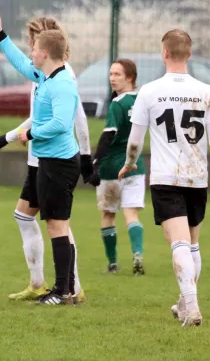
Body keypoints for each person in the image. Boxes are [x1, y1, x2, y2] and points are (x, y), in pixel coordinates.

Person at [118, 29, 210, 327]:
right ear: (190, 54)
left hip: (166, 178)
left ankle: (193, 308)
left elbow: (135, 139)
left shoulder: (149, 91)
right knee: (192, 244)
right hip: (197, 178)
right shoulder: (206, 91)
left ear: (164, 54)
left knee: (179, 243)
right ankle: (184, 304)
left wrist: (129, 164)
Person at [0, 16, 90, 303]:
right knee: (53, 224)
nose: (30, 51)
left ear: (45, 53)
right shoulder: (45, 76)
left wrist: (30, 134)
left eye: (34, 48)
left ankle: (63, 289)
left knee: (58, 225)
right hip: (47, 162)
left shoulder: (63, 83)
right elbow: (20, 63)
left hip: (60, 164)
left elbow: (61, 123)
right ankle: (65, 288)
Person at [86, 59, 146, 276]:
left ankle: (112, 264)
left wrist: (94, 162)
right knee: (131, 214)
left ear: (130, 77)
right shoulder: (142, 100)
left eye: (117, 74)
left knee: (108, 214)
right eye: (111, 74)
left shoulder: (118, 103)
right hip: (135, 166)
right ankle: (137, 253)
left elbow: (108, 134)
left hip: (111, 167)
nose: (112, 78)